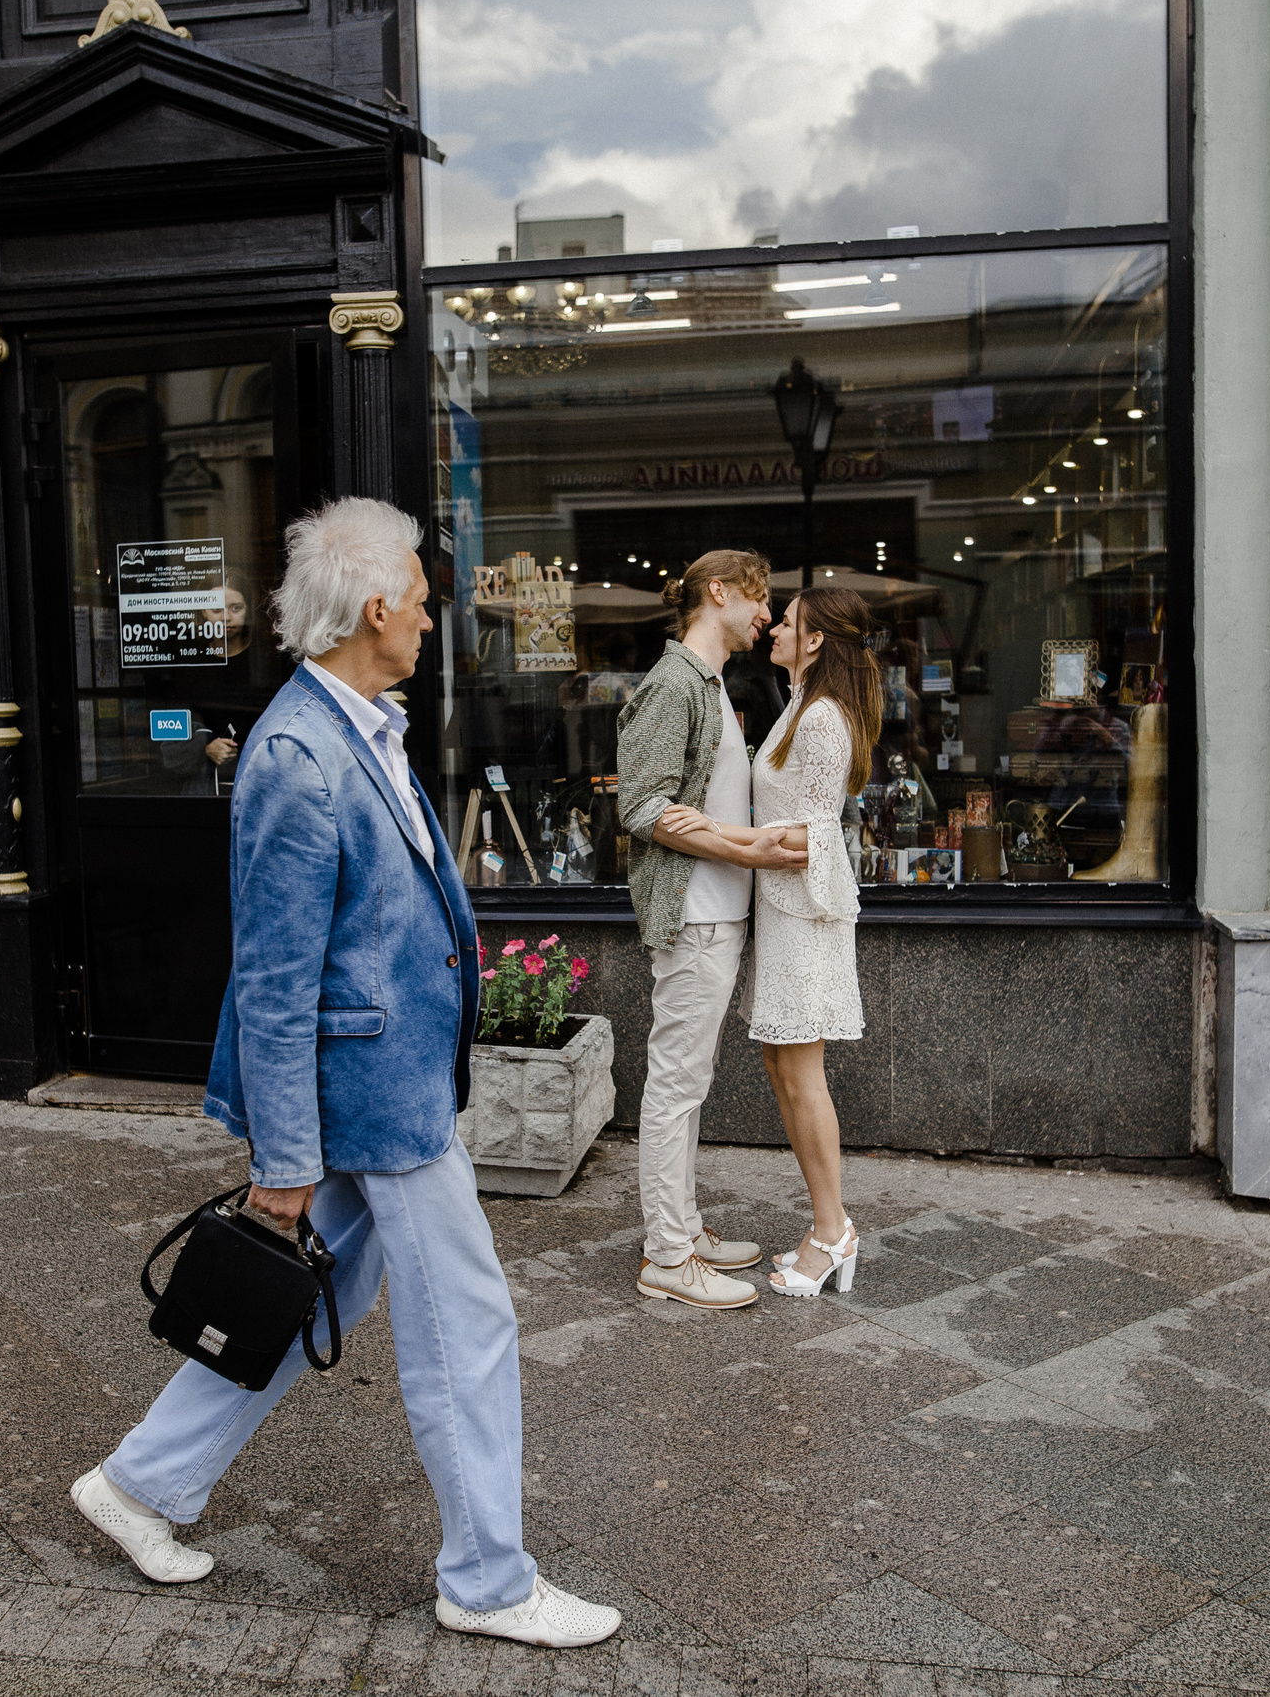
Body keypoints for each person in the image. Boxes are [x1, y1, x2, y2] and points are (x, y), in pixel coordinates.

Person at [72, 496, 621, 1651]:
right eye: (420, 599)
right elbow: (272, 981)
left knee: (308, 1292)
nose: (431, 618)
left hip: (390, 1083)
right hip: (373, 1103)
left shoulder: (360, 722)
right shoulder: (295, 756)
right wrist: (281, 1161)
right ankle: (486, 1581)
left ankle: (139, 1487)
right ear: (375, 607)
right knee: (465, 1329)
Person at [659, 587, 880, 1298]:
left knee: (802, 1073)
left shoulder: (819, 718)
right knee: (784, 1068)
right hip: (785, 913)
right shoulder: (800, 705)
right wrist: (727, 837)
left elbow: (811, 833)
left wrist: (715, 836)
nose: (775, 627)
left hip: (806, 915)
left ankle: (833, 1229)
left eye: (788, 620)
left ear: (815, 641)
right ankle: (827, 1226)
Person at [615, 550, 809, 1310]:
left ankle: (684, 1231)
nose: (766, 615)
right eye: (759, 598)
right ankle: (667, 1257)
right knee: (675, 1086)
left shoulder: (708, 684)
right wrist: (744, 846)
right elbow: (643, 806)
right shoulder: (675, 682)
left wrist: (733, 841)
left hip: (715, 912)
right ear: (718, 592)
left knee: (687, 1085)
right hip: (693, 914)